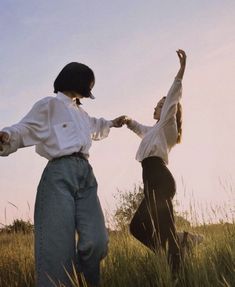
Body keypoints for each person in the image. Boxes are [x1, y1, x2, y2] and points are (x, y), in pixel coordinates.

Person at [0, 62, 126, 287]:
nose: (87, 96)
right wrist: (7, 135)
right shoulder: (49, 105)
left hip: (86, 175)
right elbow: (25, 128)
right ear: (74, 82)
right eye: (86, 89)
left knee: (97, 242)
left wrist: (112, 123)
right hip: (59, 174)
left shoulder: (82, 113)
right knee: (56, 250)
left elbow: (96, 125)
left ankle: (78, 279)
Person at [123, 50, 186, 273]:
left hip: (160, 178)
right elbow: (140, 129)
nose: (156, 107)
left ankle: (177, 260)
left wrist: (180, 71)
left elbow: (173, 97)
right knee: (149, 228)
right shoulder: (154, 131)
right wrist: (128, 121)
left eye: (159, 105)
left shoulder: (168, 124)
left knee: (139, 226)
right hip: (151, 179)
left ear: (167, 110)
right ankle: (177, 250)